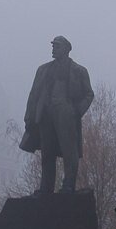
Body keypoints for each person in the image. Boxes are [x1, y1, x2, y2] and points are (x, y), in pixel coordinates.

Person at [22, 35, 95, 193]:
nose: (53, 49)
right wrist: (29, 116)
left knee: (69, 152)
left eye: (57, 46)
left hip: (66, 115)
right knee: (47, 152)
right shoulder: (43, 70)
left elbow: (89, 94)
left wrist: (76, 111)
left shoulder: (79, 71)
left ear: (67, 49)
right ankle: (46, 188)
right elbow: (34, 94)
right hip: (45, 115)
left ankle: (68, 185)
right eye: (53, 46)